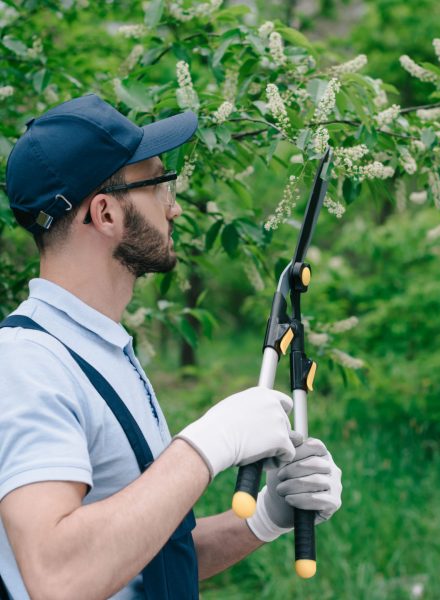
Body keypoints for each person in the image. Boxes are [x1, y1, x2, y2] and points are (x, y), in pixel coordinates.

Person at [0, 94, 342, 600]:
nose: (174, 205)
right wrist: (207, 446)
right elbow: (58, 576)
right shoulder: (26, 364)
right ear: (106, 213)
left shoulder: (102, 354)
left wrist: (266, 518)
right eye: (159, 183)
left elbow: (144, 558)